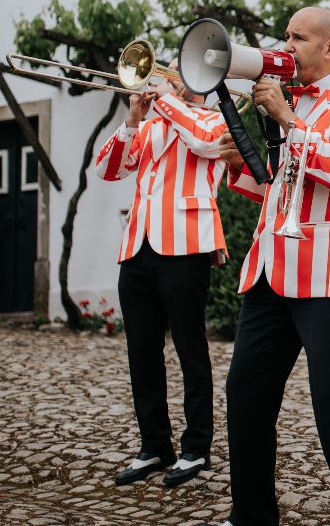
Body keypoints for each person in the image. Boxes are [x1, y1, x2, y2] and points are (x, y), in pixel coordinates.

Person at [215, 7, 330, 526]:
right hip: (270, 267)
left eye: (297, 37)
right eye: (284, 34)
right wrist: (237, 162)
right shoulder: (284, 97)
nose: (284, 44)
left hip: (327, 273)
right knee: (245, 393)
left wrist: (289, 120)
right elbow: (276, 185)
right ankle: (252, 515)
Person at [94, 65, 227, 488]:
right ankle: (154, 445)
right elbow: (109, 169)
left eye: (180, 75)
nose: (170, 81)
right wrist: (133, 118)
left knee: (191, 350)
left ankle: (196, 448)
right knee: (141, 353)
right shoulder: (151, 125)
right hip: (138, 247)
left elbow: (206, 143)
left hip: (185, 247)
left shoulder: (216, 118)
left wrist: (167, 100)